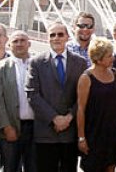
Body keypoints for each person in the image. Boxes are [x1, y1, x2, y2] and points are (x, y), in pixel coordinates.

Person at [28, 20, 89, 172]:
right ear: (47, 38)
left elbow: (83, 96)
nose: (56, 38)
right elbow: (32, 94)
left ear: (67, 37)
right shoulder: (36, 62)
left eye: (60, 34)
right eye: (52, 35)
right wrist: (54, 118)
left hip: (70, 131)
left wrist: (69, 117)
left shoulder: (80, 63)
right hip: (46, 132)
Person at [76, 37, 116, 172]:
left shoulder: (115, 73)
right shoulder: (86, 78)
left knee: (111, 166)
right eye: (109, 56)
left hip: (114, 132)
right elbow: (81, 109)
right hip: (94, 133)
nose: (113, 58)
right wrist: (81, 138)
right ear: (98, 59)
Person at [0, 30, 37, 172]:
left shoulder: (39, 64)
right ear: (9, 45)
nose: (19, 44)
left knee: (35, 167)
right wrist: (6, 127)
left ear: (29, 44)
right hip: (11, 128)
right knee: (11, 167)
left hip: (36, 128)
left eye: (22, 40)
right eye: (15, 41)